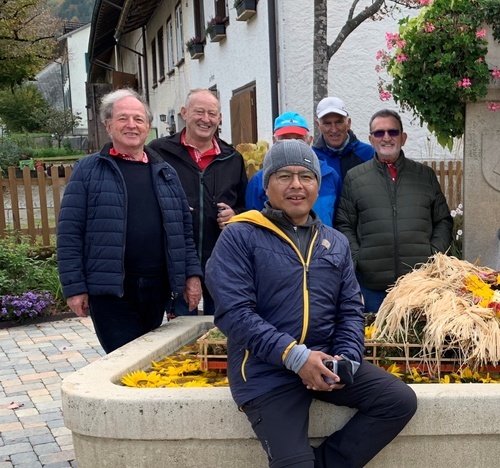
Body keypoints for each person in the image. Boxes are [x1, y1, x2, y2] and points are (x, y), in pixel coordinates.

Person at [206, 140, 417, 468]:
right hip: (265, 372)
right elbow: (234, 314)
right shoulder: (240, 236)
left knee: (398, 402)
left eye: (306, 176)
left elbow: (350, 309)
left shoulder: (333, 242)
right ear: (267, 185)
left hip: (325, 360)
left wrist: (345, 359)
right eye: (284, 175)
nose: (296, 185)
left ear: (317, 185)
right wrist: (295, 356)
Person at [56, 88, 202, 354]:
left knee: (149, 359)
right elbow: (69, 233)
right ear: (108, 125)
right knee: (126, 359)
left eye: (138, 119)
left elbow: (183, 231)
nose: (131, 125)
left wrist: (191, 276)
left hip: (157, 288)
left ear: (147, 126)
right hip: (112, 292)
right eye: (123, 118)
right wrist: (74, 287)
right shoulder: (87, 171)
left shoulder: (165, 172)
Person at [335, 109, 453, 313]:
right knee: (377, 343)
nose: (386, 138)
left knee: (417, 343)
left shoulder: (425, 175)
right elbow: (344, 223)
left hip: (420, 286)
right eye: (379, 133)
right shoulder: (355, 178)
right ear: (371, 139)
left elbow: (443, 220)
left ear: (403, 137)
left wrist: (434, 254)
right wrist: (358, 258)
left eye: (393, 132)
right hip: (373, 288)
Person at [148, 89, 247, 317]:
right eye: (199, 112)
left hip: (221, 259)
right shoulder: (159, 152)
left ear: (220, 118)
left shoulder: (232, 157)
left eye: (212, 113)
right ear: (184, 113)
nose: (206, 119)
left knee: (221, 326)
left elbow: (245, 206)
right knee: (178, 331)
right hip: (176, 259)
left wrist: (236, 214)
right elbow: (146, 200)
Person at [311, 97, 376, 225]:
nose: (334, 129)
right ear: (318, 125)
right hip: (326, 232)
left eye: (339, 122)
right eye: (327, 123)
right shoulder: (312, 158)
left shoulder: (369, 154)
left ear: (349, 123)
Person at [244, 110, 314, 212]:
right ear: (274, 140)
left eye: (299, 139)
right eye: (285, 139)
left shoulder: (329, 175)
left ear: (310, 140)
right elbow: (252, 220)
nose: (292, 144)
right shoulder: (259, 180)